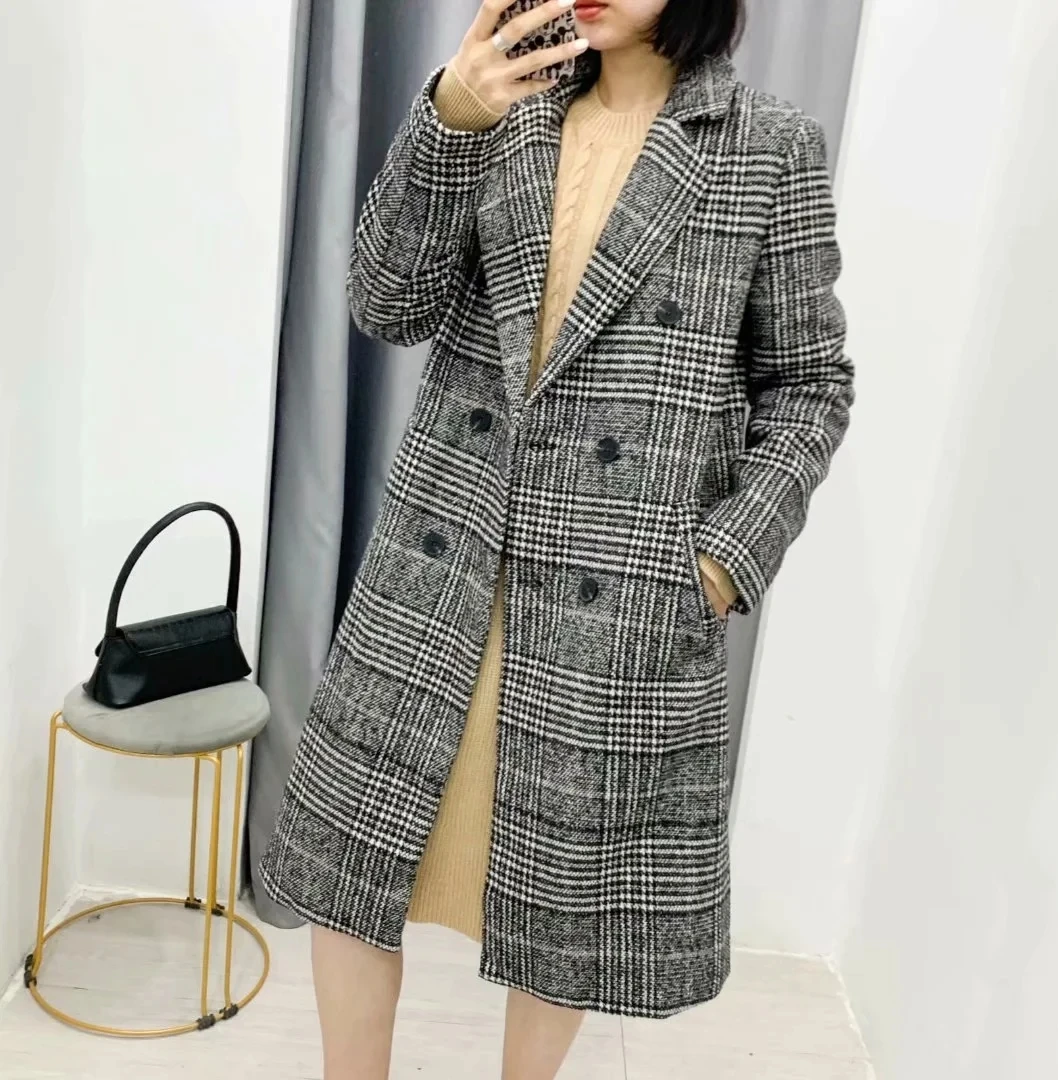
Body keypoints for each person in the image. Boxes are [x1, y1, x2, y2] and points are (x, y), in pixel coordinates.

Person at [259, 1, 855, 1077]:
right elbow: (387, 304)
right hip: (444, 558)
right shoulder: (504, 112)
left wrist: (722, 562)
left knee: (559, 902)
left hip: (613, 591)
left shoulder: (766, 148)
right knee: (352, 859)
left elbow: (810, 386)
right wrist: (450, 117)